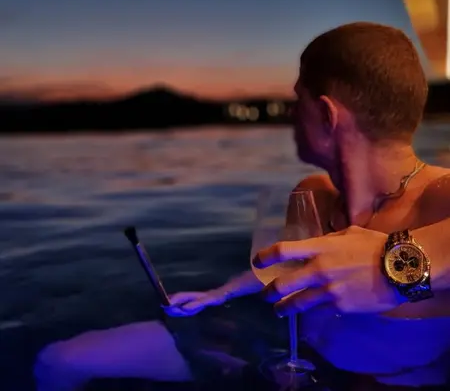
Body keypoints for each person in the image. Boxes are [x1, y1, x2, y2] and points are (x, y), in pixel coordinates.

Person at [35, 22, 450, 390]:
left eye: (297, 100)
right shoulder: (313, 193)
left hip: (386, 381)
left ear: (326, 114)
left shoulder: (439, 194)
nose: (291, 115)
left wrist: (395, 264)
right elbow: (287, 269)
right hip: (292, 358)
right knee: (60, 360)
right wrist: (218, 294)